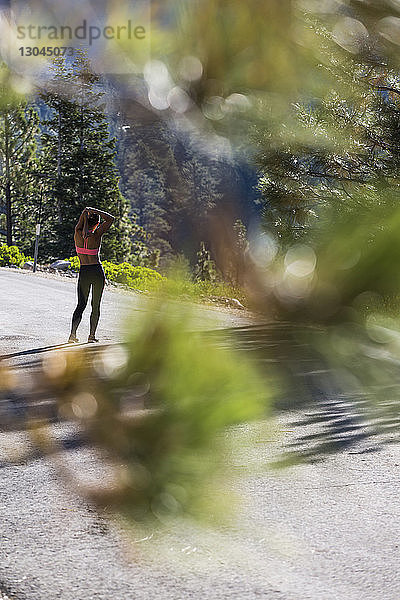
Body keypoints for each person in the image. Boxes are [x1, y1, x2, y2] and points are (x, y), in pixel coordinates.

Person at [68, 206, 114, 343]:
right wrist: (96, 211)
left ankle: (72, 335)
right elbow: (111, 219)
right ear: (97, 224)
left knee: (81, 304)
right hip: (96, 271)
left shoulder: (77, 233)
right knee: (96, 305)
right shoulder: (96, 235)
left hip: (84, 271)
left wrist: (85, 212)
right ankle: (91, 336)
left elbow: (80, 223)